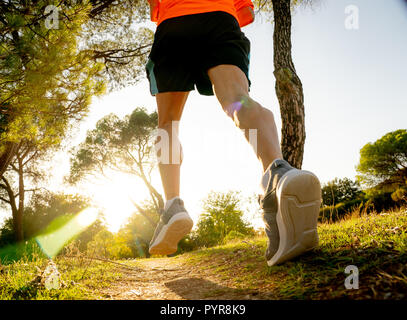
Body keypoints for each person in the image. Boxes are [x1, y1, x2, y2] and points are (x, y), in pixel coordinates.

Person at [146, 0, 321, 266]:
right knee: (237, 100)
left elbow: (154, 7)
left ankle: (172, 206)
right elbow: (247, 12)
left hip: (173, 24)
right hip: (220, 18)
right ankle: (277, 173)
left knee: (168, 123)